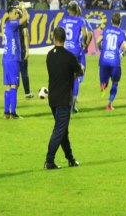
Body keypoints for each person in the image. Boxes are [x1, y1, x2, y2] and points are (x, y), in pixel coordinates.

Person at [44, 26, 84, 170]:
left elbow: (56, 73)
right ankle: (49, 160)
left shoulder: (49, 55)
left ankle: (70, 159)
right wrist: (78, 71)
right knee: (60, 130)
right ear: (65, 38)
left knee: (63, 130)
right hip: (63, 99)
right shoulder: (69, 56)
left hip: (52, 99)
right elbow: (79, 72)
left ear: (54, 37)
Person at [56, 1, 90, 112]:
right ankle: (73, 106)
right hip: (75, 51)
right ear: (76, 10)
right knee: (75, 77)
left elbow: (56, 33)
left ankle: (62, 102)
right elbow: (85, 34)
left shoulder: (62, 20)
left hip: (64, 50)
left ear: (68, 10)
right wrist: (84, 43)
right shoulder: (80, 20)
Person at [2, 4, 29, 119]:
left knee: (8, 85)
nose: (16, 14)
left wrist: (18, 10)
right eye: (14, 12)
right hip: (13, 59)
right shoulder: (12, 24)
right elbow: (25, 18)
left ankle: (6, 112)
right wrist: (22, 7)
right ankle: (13, 112)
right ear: (9, 14)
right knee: (14, 85)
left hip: (6, 58)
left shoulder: (7, 24)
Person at [97, 12, 126, 110]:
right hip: (115, 61)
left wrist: (100, 49)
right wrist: (122, 54)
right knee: (115, 82)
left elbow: (98, 41)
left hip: (104, 59)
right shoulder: (121, 33)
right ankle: (109, 104)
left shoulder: (106, 30)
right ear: (120, 22)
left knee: (103, 82)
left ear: (111, 21)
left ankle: (103, 89)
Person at [18, 7, 33, 99]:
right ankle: (27, 93)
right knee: (24, 72)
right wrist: (27, 50)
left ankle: (12, 91)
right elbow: (26, 36)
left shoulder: (12, 23)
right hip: (22, 50)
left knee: (15, 73)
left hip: (13, 51)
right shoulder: (23, 24)